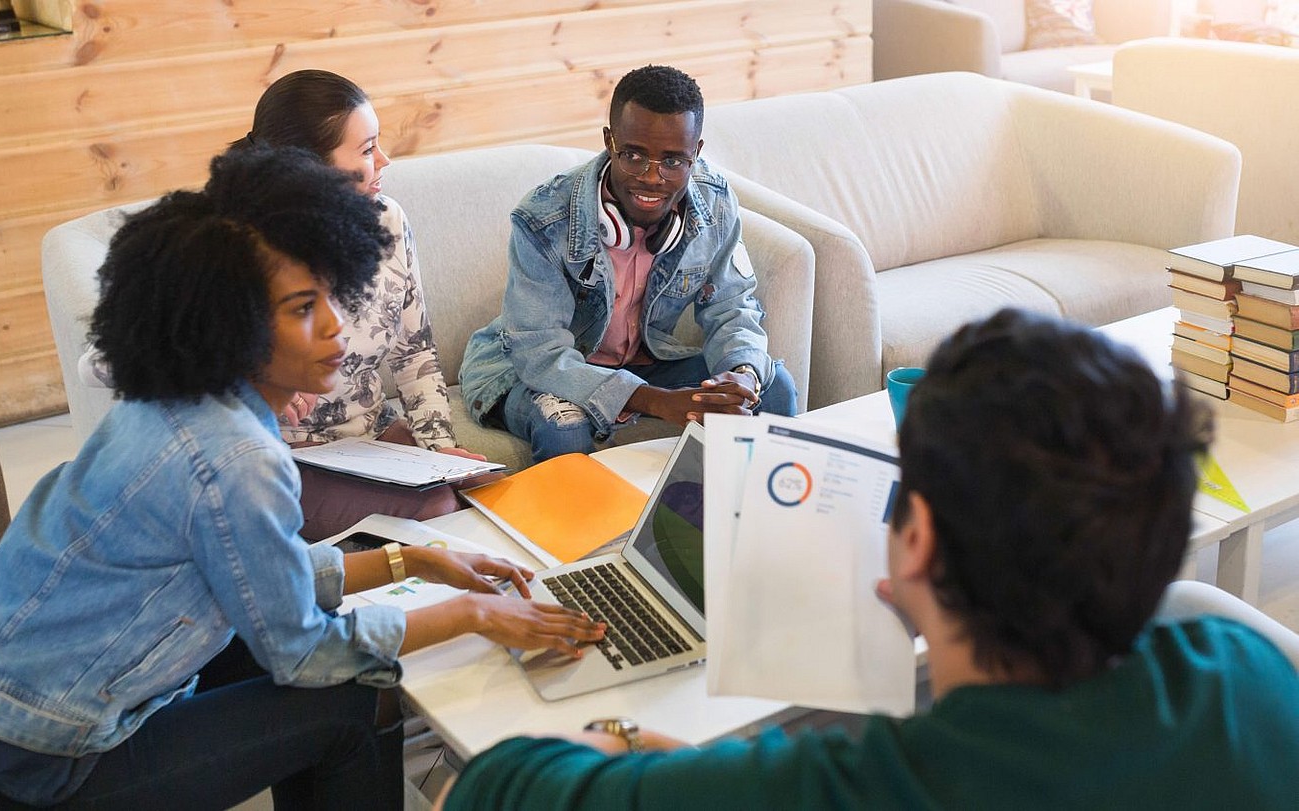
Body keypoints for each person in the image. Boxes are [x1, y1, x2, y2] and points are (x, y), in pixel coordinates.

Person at [0, 145, 604, 811]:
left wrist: (415, 558)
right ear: (231, 322)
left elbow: (258, 574)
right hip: (20, 766)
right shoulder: (235, 456)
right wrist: (474, 614)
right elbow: (301, 650)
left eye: (329, 295)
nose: (335, 326)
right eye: (302, 310)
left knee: (323, 650)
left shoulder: (177, 401)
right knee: (356, 696)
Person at [439, 308, 1299, 810]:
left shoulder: (852, 785)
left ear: (915, 540)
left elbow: (495, 785)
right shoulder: (1252, 675)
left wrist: (624, 738)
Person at [86, 69, 483, 540]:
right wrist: (246, 371)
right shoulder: (231, 246)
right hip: (275, 455)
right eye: (365, 149)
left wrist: (441, 451)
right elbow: (103, 362)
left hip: (374, 445)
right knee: (438, 507)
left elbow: (413, 354)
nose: (384, 159)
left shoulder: (385, 220)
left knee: (476, 488)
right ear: (307, 166)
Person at [459, 65, 799, 464]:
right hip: (527, 371)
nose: (652, 178)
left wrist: (741, 375)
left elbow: (732, 308)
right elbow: (539, 353)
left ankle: (735, 518)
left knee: (773, 388)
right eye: (634, 156)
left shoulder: (715, 202)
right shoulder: (543, 218)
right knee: (564, 428)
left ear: (697, 153)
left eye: (674, 161)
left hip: (644, 361)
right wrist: (655, 401)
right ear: (610, 141)